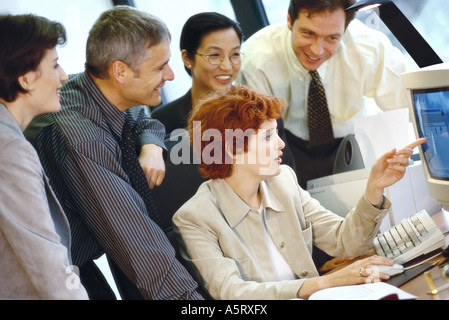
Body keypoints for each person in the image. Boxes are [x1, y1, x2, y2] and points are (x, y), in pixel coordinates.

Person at [172, 85, 426, 300]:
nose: (281, 144)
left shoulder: (283, 181)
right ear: (233, 148)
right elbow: (232, 293)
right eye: (268, 136)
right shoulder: (194, 218)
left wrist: (374, 187)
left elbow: (345, 241)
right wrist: (326, 283)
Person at [25, 6, 202, 300]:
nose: (171, 75)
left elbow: (141, 119)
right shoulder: (78, 136)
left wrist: (151, 145)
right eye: (160, 67)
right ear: (120, 71)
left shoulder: (96, 90)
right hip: (53, 270)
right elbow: (135, 240)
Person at [235, 0, 410, 189]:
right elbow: (255, 135)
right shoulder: (256, 61)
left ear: (346, 30)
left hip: (352, 139)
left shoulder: (369, 48)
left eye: (332, 38)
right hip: (288, 143)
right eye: (308, 33)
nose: (317, 50)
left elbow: (406, 103)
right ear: (289, 20)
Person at [0, 13, 88, 299]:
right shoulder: (10, 151)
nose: (63, 75)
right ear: (26, 78)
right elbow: (48, 263)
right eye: (54, 65)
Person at [152, 11, 295, 169]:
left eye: (235, 54)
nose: (227, 66)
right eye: (214, 55)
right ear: (187, 58)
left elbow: (285, 174)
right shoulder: (163, 121)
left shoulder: (264, 110)